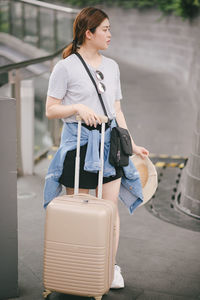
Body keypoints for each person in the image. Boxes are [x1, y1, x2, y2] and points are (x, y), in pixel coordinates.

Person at [45, 7, 149, 289]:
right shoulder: (65, 67)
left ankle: (108, 266)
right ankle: (76, 267)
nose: (110, 35)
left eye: (110, 29)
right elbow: (51, 109)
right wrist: (78, 107)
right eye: (105, 29)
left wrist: (132, 143)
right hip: (77, 145)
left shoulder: (112, 66)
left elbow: (116, 109)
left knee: (109, 210)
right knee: (78, 210)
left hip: (109, 144)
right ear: (88, 33)